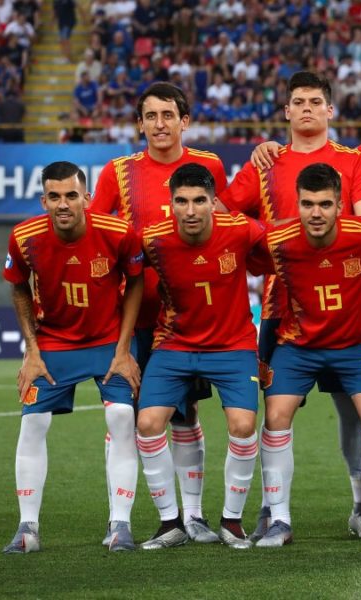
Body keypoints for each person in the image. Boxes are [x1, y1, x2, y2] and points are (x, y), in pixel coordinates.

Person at [219, 71, 361, 541]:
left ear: (330, 110)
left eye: (315, 101)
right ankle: (274, 511)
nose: (307, 108)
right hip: (281, 308)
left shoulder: (351, 162)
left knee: (357, 410)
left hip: (346, 302)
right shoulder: (266, 163)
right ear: (286, 111)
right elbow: (228, 218)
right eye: (298, 101)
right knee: (276, 411)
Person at [92, 82, 228, 545]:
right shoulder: (118, 173)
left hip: (186, 318)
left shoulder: (208, 166)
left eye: (168, 115)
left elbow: (225, 226)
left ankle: (192, 517)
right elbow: (98, 238)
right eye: (150, 116)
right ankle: (123, 519)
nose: (160, 124)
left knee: (185, 415)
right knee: (125, 416)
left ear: (184, 120)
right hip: (132, 317)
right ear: (140, 122)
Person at [2, 161, 143, 553]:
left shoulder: (117, 232)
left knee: (121, 416)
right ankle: (27, 528)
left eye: (71, 195)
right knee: (33, 424)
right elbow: (18, 289)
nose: (63, 204)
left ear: (86, 197)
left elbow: (136, 282)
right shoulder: (24, 236)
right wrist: (31, 351)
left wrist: (124, 349)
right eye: (54, 196)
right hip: (54, 342)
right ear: (43, 199)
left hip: (108, 340)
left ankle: (121, 525)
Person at [255, 163, 361, 547]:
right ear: (297, 204)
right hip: (298, 345)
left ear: (340, 205)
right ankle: (279, 519)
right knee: (275, 415)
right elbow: (247, 257)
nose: (315, 213)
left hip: (357, 345)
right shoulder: (278, 239)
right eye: (307, 204)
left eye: (324, 204)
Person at [135, 163, 267, 550]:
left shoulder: (242, 229)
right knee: (147, 423)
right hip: (174, 344)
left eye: (199, 201)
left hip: (233, 344)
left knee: (243, 426)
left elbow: (281, 249)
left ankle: (232, 522)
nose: (190, 210)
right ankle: (170, 523)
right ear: (170, 204)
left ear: (214, 203)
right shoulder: (152, 240)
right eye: (181, 201)